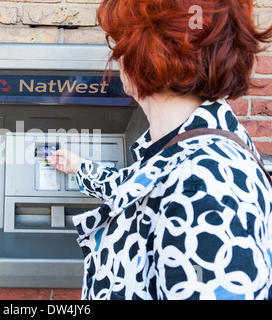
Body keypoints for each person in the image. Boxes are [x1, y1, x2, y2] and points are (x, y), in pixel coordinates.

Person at [47, 0, 272, 300]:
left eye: (121, 40)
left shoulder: (205, 189)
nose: (116, 56)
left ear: (146, 51)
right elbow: (137, 191)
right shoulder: (187, 147)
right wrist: (79, 168)